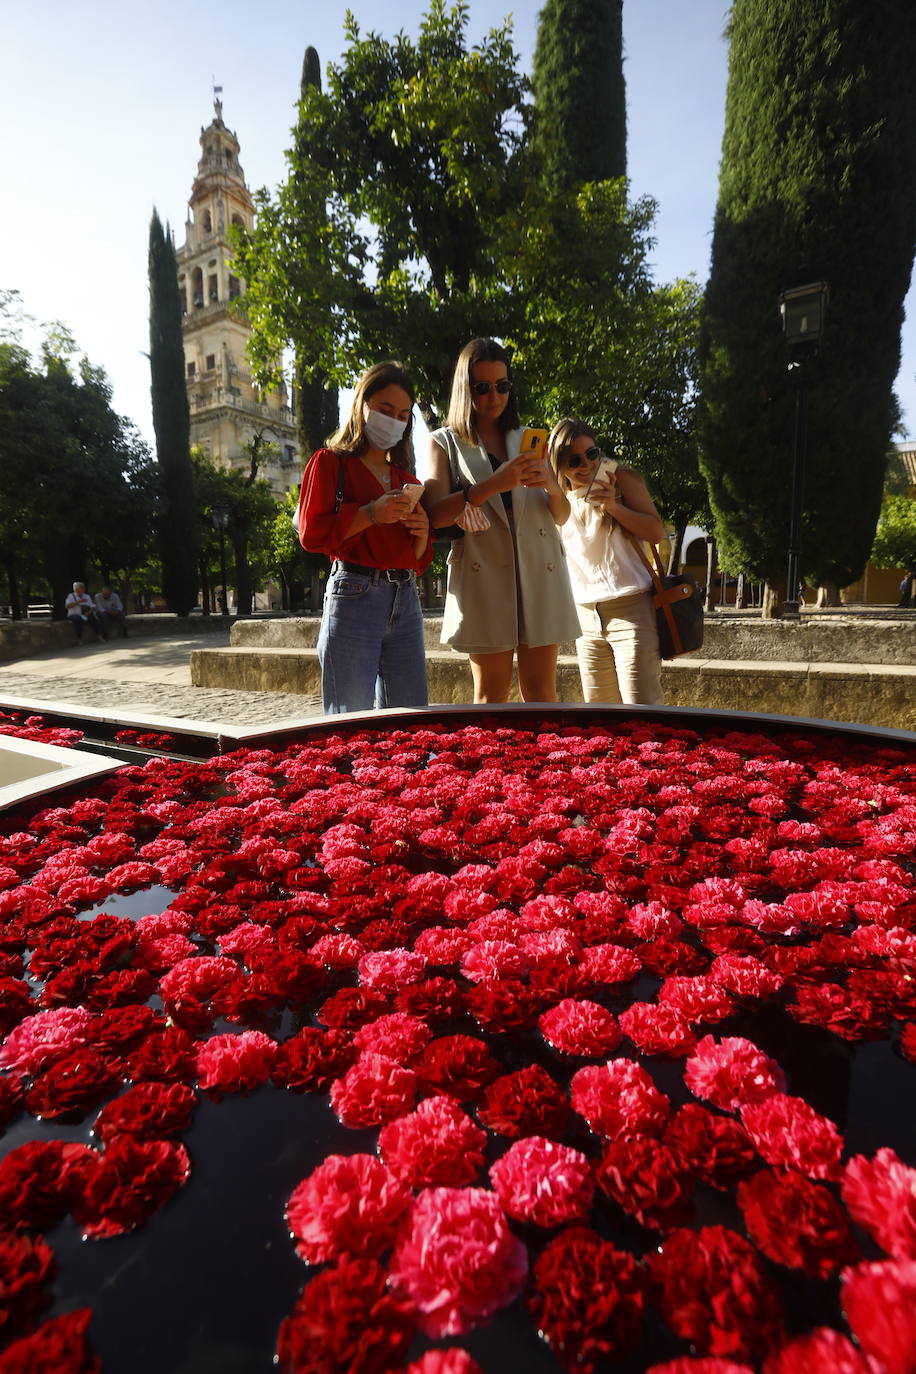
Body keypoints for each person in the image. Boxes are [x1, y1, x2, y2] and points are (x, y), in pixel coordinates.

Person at [425, 338, 579, 703]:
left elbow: (560, 515)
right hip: (484, 574)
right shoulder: (443, 442)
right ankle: (492, 762)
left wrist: (554, 487)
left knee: (543, 693)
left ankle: (545, 761)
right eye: (482, 387)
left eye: (502, 386)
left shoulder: (529, 438)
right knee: (490, 696)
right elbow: (434, 514)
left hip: (539, 571)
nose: (494, 396)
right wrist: (495, 484)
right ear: (465, 389)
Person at [297, 361, 432, 714]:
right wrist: (370, 513)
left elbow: (416, 561)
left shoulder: (407, 479)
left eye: (403, 415)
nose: (394, 421)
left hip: (406, 598)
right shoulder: (329, 463)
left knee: (410, 721)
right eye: (385, 410)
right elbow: (312, 534)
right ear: (362, 406)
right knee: (349, 719)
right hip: (354, 593)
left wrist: (423, 531)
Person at [547, 417, 666, 705]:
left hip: (632, 609)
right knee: (600, 716)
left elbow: (656, 532)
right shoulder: (556, 498)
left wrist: (612, 505)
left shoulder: (620, 479)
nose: (586, 465)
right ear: (559, 466)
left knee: (642, 711)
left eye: (592, 454)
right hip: (584, 617)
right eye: (574, 461)